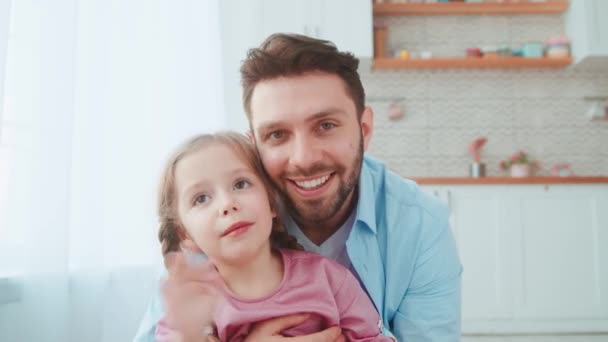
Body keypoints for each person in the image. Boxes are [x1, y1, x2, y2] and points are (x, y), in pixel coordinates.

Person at [135, 33, 462, 342]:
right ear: (255, 144)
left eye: (326, 125)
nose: (303, 159)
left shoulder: (420, 226)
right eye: (277, 134)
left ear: (364, 129)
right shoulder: (208, 253)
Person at [153, 132, 392, 342]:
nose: (227, 204)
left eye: (240, 184)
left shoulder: (330, 279)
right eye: (201, 199)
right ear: (184, 234)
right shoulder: (193, 305)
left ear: (271, 202)